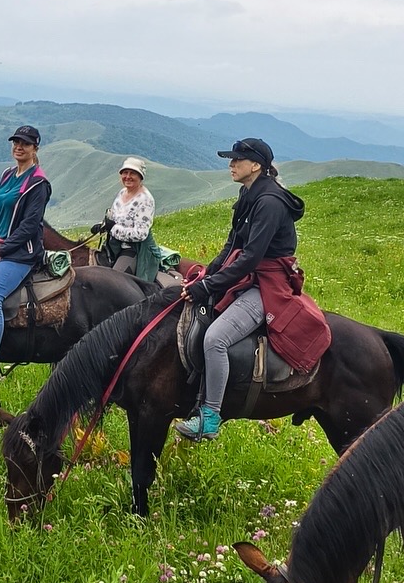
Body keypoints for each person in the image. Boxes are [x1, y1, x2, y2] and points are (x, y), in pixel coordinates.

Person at [174, 137, 329, 440]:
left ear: (256, 165)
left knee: (215, 339)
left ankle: (210, 416)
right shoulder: (248, 194)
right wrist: (205, 276)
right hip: (251, 277)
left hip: (267, 285)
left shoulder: (269, 202)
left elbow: (250, 259)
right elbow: (232, 245)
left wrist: (207, 288)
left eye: (236, 160)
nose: (231, 165)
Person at [0, 125, 51, 383]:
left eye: (25, 143)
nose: (18, 147)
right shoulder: (7, 175)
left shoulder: (39, 184)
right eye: (16, 142)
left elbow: (29, 225)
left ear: (35, 148)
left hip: (20, 254)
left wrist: (1, 253)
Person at [92, 157, 159, 279]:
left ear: (140, 176)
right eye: (125, 173)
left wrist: (113, 229)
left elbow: (140, 234)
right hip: (114, 246)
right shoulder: (122, 193)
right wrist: (102, 226)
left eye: (132, 173)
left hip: (132, 250)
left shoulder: (145, 200)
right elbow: (114, 219)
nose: (128, 176)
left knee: (113, 281)